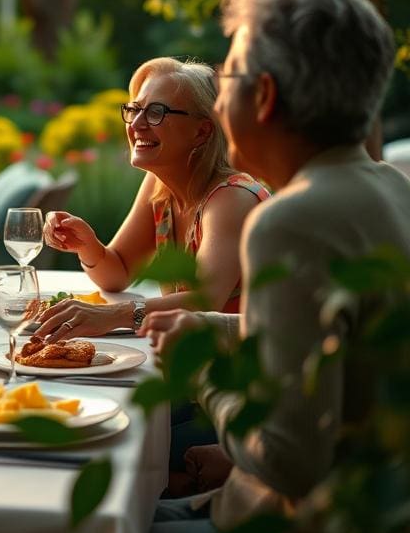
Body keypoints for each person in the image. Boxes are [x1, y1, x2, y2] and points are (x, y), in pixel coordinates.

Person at [143, 0, 410, 533]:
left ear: (262, 96)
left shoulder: (291, 220)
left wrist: (206, 373)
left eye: (226, 76)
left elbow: (288, 460)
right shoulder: (392, 189)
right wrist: (211, 327)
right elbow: (337, 339)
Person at [36, 57, 269, 341]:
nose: (136, 123)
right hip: (187, 353)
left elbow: (204, 303)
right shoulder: (160, 185)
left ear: (202, 131)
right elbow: (118, 272)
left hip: (247, 366)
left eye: (156, 112)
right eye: (134, 109)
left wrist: (113, 315)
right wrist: (88, 246)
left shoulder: (232, 197)